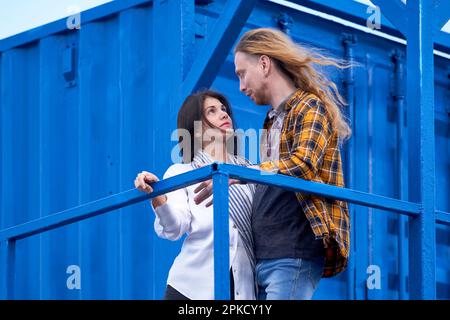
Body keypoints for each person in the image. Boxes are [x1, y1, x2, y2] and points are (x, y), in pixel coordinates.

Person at [195, 28, 351, 299]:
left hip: (292, 252)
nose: (241, 86)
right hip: (263, 256)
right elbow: (270, 177)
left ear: (264, 64)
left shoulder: (310, 107)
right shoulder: (271, 120)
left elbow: (303, 164)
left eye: (242, 73)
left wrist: (242, 174)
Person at [134, 90, 256, 300]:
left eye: (224, 109)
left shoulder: (250, 173)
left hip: (242, 292)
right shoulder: (182, 173)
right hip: (190, 291)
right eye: (212, 111)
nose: (224, 114)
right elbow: (173, 229)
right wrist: (156, 196)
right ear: (197, 130)